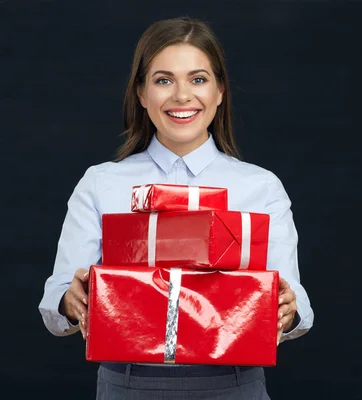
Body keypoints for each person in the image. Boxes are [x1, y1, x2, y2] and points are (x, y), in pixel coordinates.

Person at [38, 16, 314, 399]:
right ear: (140, 93)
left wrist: (288, 308)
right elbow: (56, 298)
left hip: (234, 385)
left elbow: (296, 301)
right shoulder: (101, 183)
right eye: (163, 80)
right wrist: (71, 300)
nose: (182, 96)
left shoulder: (260, 187)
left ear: (220, 91)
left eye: (198, 79)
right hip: (127, 385)